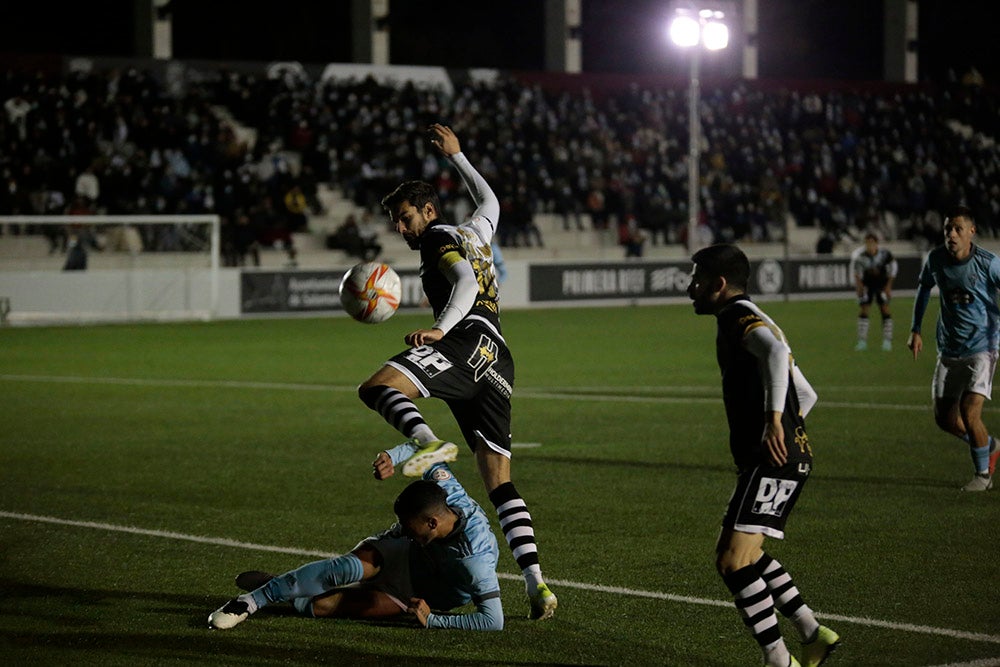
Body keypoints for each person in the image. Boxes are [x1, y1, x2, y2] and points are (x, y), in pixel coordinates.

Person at [358, 123, 557, 620]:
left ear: (428, 211)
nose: (402, 230)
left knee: (377, 387)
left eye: (406, 219)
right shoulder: (473, 232)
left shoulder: (438, 239)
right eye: (397, 223)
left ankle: (426, 441)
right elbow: (491, 204)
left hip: (466, 341)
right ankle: (537, 583)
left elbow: (464, 281)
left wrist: (442, 329)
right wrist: (460, 158)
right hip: (498, 358)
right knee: (499, 483)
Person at [686, 244, 839, 667]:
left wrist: (774, 425)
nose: (689, 288)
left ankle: (778, 659)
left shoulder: (738, 317)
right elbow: (806, 393)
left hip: (771, 461)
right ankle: (812, 632)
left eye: (696, 279)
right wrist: (786, 431)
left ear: (718, 285)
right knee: (744, 556)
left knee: (732, 562)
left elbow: (773, 354)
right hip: (784, 458)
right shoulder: (756, 315)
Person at [208, 442, 503, 630]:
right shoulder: (445, 492)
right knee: (344, 568)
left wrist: (433, 619)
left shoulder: (476, 561)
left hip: (412, 593)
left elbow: (493, 621)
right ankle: (253, 600)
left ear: (431, 522)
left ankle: (289, 588)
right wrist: (391, 456)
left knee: (321, 607)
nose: (404, 529)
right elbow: (423, 447)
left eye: (409, 525)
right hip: (405, 554)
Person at [907, 205, 1000, 491]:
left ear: (971, 231)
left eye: (958, 228)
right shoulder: (936, 258)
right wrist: (916, 329)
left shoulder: (988, 262)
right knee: (945, 419)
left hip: (982, 347)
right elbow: (924, 288)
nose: (952, 233)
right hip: (949, 348)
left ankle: (982, 476)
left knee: (970, 412)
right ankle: (991, 445)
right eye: (948, 228)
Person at [849, 232, 898, 351]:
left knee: (885, 310)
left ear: (876, 243)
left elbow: (893, 268)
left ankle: (887, 341)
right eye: (867, 243)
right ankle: (862, 341)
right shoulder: (860, 256)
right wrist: (860, 287)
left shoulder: (885, 254)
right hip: (867, 286)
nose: (870, 246)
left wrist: (888, 287)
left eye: (872, 243)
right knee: (864, 310)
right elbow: (856, 273)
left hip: (881, 285)